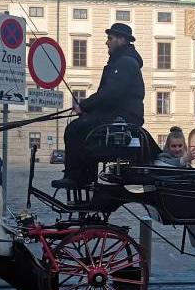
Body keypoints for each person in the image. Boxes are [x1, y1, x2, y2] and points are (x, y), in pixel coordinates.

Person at [58, 22, 145, 185]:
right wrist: (89, 111)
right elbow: (108, 96)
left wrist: (84, 106)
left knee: (75, 129)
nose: (107, 42)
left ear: (122, 40)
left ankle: (77, 177)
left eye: (110, 38)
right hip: (119, 114)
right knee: (83, 125)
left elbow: (110, 94)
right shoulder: (122, 61)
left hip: (123, 117)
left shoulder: (125, 62)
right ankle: (84, 176)